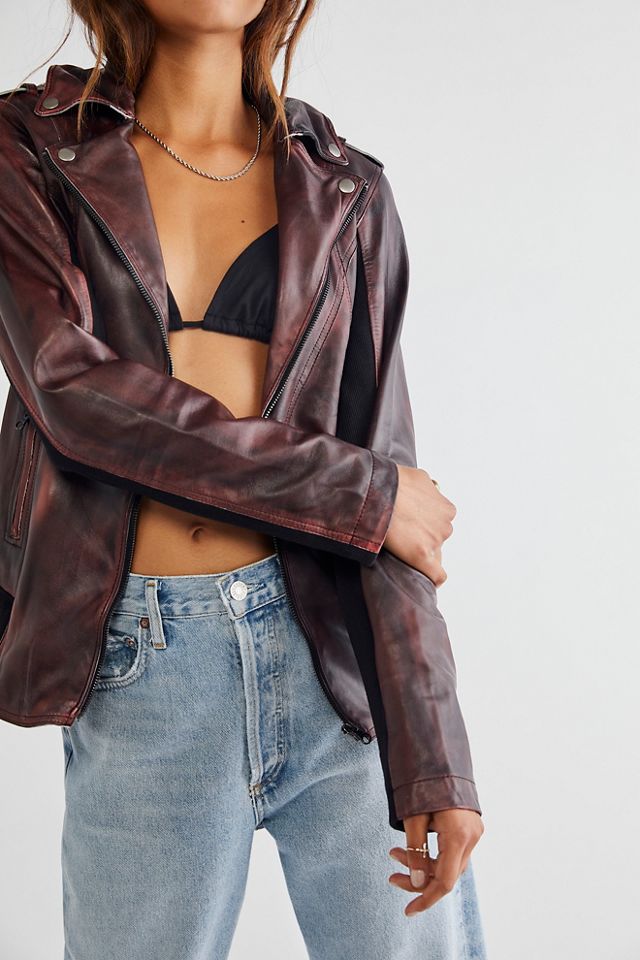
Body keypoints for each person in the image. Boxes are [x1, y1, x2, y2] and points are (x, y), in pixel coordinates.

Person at [0, 2, 486, 957]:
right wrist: (362, 496)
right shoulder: (30, 151)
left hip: (335, 657)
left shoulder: (346, 190)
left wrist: (434, 752)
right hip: (147, 667)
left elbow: (390, 473)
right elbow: (72, 392)